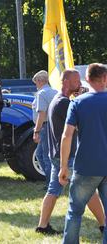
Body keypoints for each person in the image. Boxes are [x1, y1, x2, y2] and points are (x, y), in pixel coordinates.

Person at [35, 69, 105, 235]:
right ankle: (104, 224)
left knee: (53, 190)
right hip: (67, 157)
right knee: (88, 191)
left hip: (57, 155)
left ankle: (42, 225)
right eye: (77, 82)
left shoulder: (57, 99)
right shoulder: (65, 103)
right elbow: (80, 125)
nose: (80, 84)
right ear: (66, 82)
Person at [59, 63, 107, 243]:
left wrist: (63, 166)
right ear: (105, 78)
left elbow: (66, 135)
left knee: (74, 212)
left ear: (87, 79)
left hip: (85, 167)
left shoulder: (77, 102)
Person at [32, 70, 57, 187]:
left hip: (45, 127)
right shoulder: (55, 92)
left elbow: (41, 114)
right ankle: (52, 180)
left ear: (40, 81)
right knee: (42, 154)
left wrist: (36, 130)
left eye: (35, 81)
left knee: (45, 156)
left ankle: (51, 183)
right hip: (53, 126)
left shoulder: (41, 94)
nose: (35, 84)